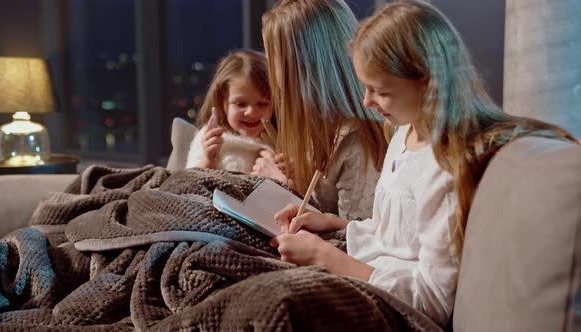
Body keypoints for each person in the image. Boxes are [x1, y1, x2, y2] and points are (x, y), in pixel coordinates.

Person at [269, 0, 578, 326]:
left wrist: (324, 256)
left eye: (381, 91)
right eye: (366, 87)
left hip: (392, 309)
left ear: (428, 83)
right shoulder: (403, 132)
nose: (367, 102)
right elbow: (397, 237)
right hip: (365, 270)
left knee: (267, 300)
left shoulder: (442, 170)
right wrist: (332, 222)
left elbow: (432, 299)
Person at [253, 0, 387, 221]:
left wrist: (281, 188)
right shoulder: (316, 128)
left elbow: (353, 239)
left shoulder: (357, 142)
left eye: (273, 58)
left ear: (304, 64)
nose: (270, 70)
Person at [186, 49, 274, 174]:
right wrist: (207, 161)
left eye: (262, 104)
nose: (251, 112)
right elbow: (187, 183)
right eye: (240, 104)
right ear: (223, 102)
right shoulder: (209, 138)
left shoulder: (279, 141)